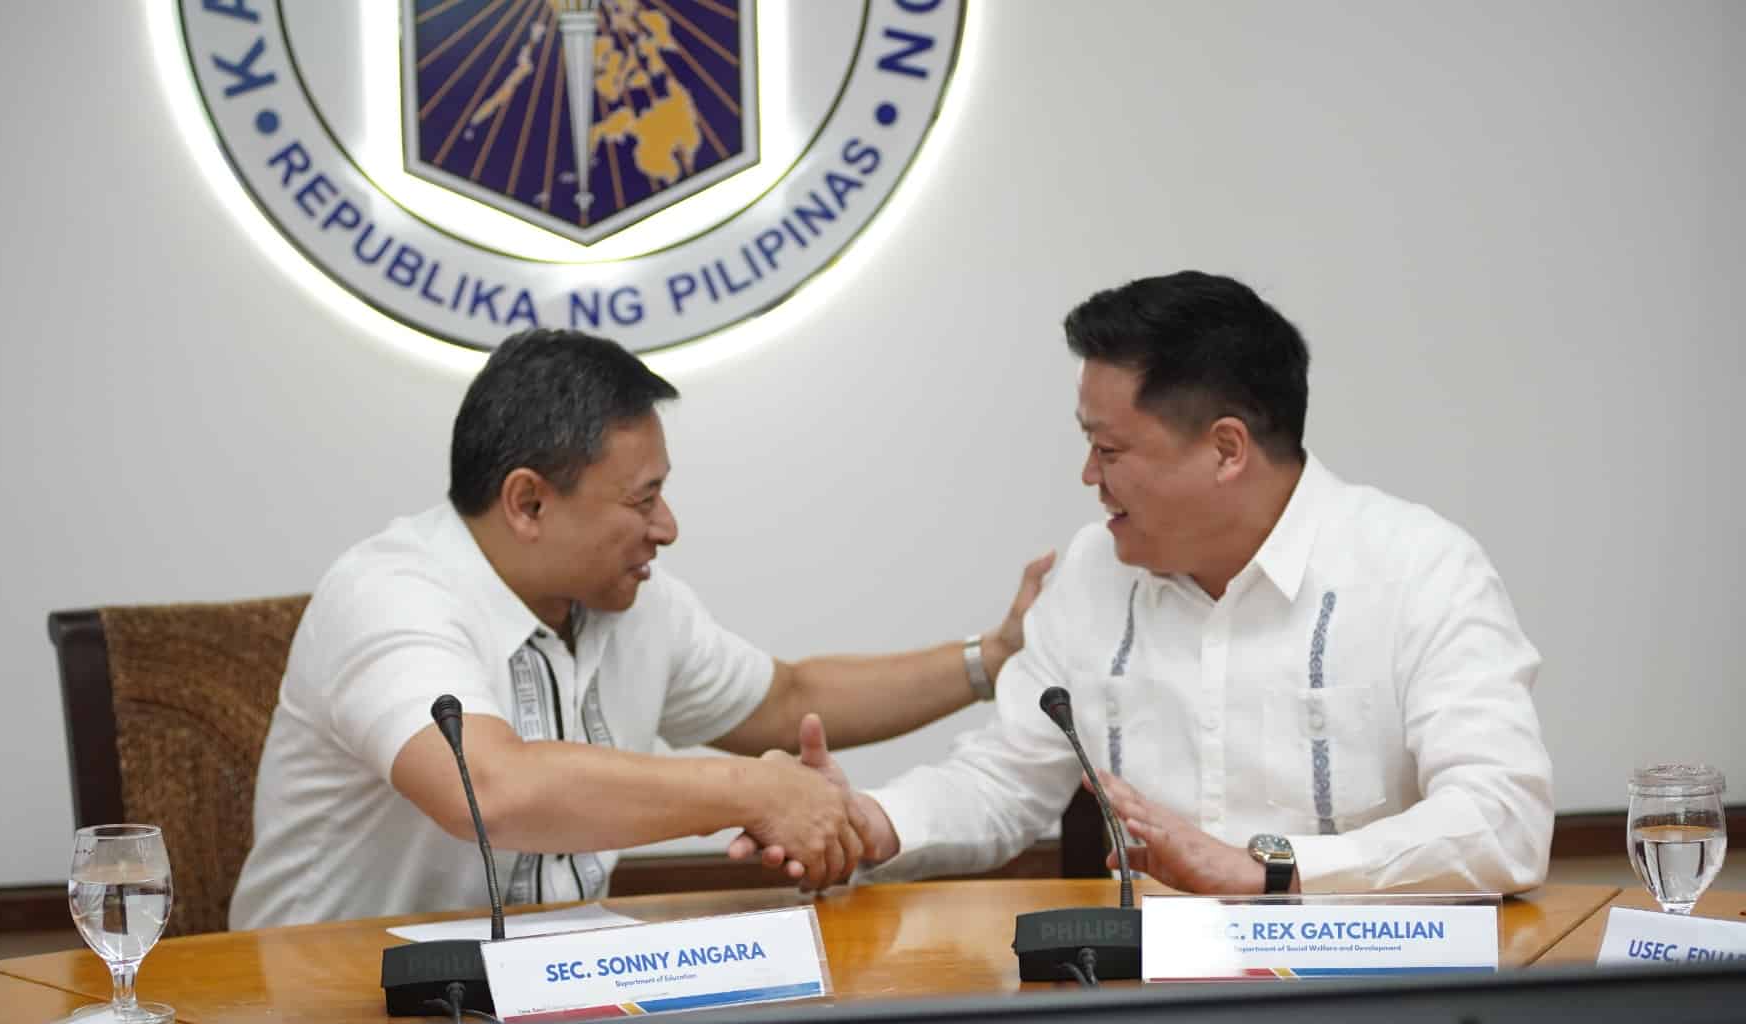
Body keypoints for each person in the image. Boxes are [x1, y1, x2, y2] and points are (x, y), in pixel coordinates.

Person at [746, 271, 1553, 896]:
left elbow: (1502, 821)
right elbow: (1003, 779)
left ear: (1227, 449)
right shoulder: (1094, 573)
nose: (1089, 475)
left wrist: (1274, 872)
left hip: (1369, 1008)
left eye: (1112, 449)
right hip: (1146, 1018)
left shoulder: (1419, 568)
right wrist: (867, 822)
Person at [228, 329, 1053, 929]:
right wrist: (748, 792)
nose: (667, 527)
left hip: (544, 1007)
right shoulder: (388, 594)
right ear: (529, 502)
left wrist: (993, 657)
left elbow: (789, 698)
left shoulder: (631, 605)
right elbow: (493, 790)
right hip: (325, 1019)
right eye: (640, 500)